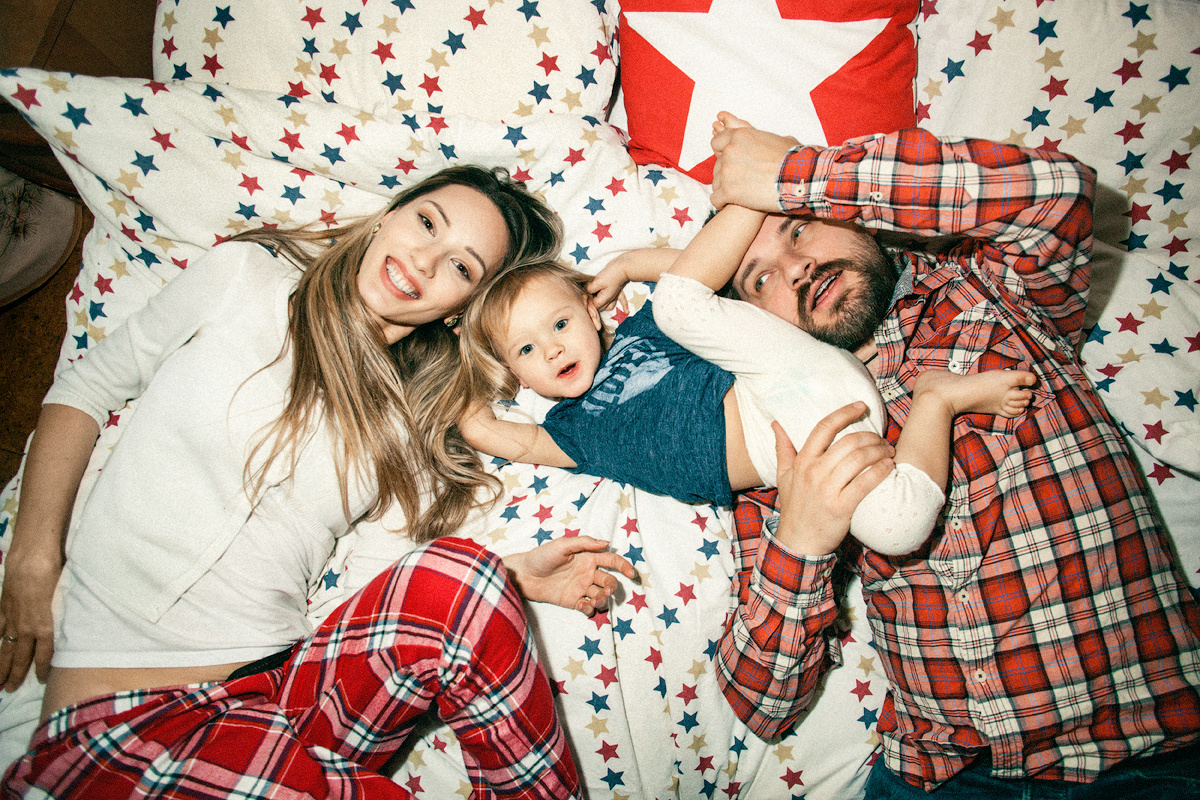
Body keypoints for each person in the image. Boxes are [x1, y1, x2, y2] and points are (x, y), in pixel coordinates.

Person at [0, 165, 635, 799]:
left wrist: (511, 579)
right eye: (426, 222)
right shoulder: (244, 280)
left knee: (465, 576)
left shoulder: (410, 426)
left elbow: (366, 607)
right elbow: (86, 389)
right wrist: (30, 558)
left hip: (290, 693)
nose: (423, 260)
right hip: (129, 718)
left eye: (461, 268)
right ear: (391, 213)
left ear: (458, 314)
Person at [704, 113, 1200, 797]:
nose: (796, 270)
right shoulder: (781, 433)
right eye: (757, 281)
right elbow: (760, 705)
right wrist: (801, 542)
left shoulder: (994, 288)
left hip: (1143, 756)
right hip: (942, 778)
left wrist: (794, 174)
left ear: (850, 214)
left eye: (799, 226)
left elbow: (1061, 190)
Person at [455, 204, 1034, 556]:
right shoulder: (569, 432)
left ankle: (754, 193)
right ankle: (936, 401)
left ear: (591, 308)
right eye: (527, 348)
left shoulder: (642, 331)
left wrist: (631, 263)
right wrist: (452, 353)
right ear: (514, 372)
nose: (553, 347)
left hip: (770, 384)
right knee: (897, 526)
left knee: (682, 303)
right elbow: (490, 431)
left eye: (559, 323)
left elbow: (707, 272)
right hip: (809, 441)